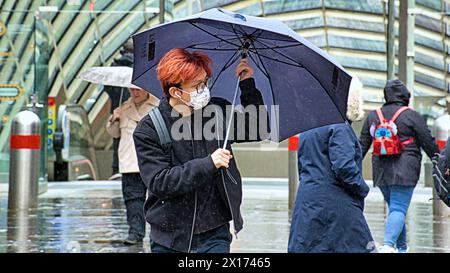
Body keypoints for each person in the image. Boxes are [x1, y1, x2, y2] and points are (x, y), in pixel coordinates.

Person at [133, 48, 267, 253]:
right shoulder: (150, 128)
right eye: (197, 85)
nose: (204, 90)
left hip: (215, 232)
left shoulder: (217, 112)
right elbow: (160, 182)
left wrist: (247, 83)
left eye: (205, 82)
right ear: (175, 91)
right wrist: (209, 163)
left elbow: (258, 129)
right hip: (170, 238)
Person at [288, 78, 374, 253]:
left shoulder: (311, 124)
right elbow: (344, 166)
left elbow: (304, 163)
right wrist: (362, 189)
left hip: (308, 203)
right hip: (335, 206)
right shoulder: (339, 126)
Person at [359, 79, 438, 253]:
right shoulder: (411, 115)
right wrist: (439, 162)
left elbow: (362, 145)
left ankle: (402, 248)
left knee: (395, 208)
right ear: (405, 96)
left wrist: (352, 169)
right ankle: (388, 246)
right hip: (406, 169)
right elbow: (427, 141)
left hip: (381, 170)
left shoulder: (374, 116)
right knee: (398, 208)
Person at [106, 86, 159, 245]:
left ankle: (159, 234)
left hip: (153, 162)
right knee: (133, 200)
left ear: (147, 90)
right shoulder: (124, 108)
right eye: (132, 90)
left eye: (138, 90)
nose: (135, 93)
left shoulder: (158, 107)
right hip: (130, 163)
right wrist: (114, 119)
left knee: (157, 200)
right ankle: (135, 232)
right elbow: (114, 134)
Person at [104, 40, 133, 177]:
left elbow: (107, 88)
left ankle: (117, 168)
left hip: (117, 108)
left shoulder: (114, 67)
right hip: (133, 107)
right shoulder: (137, 67)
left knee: (117, 139)